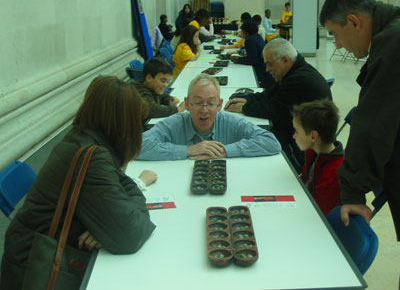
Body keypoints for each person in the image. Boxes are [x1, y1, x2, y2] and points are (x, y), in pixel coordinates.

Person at [0, 76, 157, 290]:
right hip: (35, 270)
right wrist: (115, 223)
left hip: (25, 252)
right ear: (124, 123)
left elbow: (125, 184)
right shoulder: (92, 157)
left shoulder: (83, 138)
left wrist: (109, 224)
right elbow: (129, 234)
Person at [320, 0, 400, 241]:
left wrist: (352, 192)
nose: (338, 45)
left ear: (354, 22)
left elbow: (374, 123)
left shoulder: (392, 43)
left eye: (335, 34)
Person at [224, 38, 332, 174]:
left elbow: (274, 110)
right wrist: (246, 98)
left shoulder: (300, 79)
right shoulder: (294, 71)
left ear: (285, 60)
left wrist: (244, 108)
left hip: (306, 147)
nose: (267, 69)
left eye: (270, 64)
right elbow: (271, 94)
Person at [137, 73, 281, 161]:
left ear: (220, 105)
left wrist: (225, 151)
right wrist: (189, 150)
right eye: (198, 103)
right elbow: (137, 146)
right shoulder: (175, 123)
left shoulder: (230, 121)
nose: (204, 110)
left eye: (211, 103)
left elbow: (271, 142)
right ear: (187, 104)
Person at [292, 100, 344, 216]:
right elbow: (304, 182)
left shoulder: (334, 173)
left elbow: (320, 214)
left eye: (296, 131)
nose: (294, 136)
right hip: (303, 204)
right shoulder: (313, 152)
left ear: (313, 136)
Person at [231, 19, 274, 88]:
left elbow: (252, 61)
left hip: (262, 76)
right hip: (267, 74)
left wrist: (238, 60)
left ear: (246, 32)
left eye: (242, 31)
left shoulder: (249, 40)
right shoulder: (258, 37)